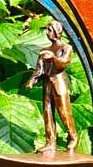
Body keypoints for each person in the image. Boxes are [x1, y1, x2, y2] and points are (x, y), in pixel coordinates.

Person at [26, 20, 78, 154]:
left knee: (64, 112)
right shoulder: (45, 50)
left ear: (57, 32)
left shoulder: (66, 48)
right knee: (47, 112)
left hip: (59, 81)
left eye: (49, 30)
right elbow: (40, 68)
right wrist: (33, 79)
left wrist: (53, 57)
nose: (47, 33)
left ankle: (73, 137)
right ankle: (50, 142)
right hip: (47, 83)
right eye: (47, 30)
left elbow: (63, 63)